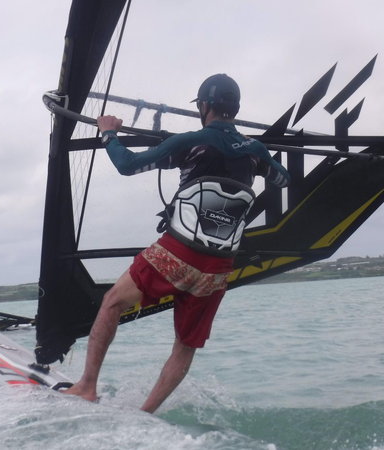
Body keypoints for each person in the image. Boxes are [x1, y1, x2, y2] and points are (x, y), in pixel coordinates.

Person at [64, 74, 290, 413]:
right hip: (217, 269)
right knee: (184, 345)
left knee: (112, 302)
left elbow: (127, 165)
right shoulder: (255, 152)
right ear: (236, 109)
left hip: (178, 253)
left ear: (204, 106)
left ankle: (86, 387)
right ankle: (145, 414)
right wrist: (263, 156)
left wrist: (109, 133)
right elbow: (282, 179)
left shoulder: (191, 142)